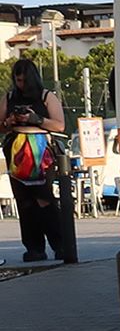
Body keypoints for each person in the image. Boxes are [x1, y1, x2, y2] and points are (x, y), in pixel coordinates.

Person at [1, 57, 67, 263]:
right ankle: (34, 248)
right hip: (17, 151)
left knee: (44, 198)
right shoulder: (9, 97)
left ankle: (60, 244)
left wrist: (36, 119)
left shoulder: (46, 96)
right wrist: (10, 121)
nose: (20, 85)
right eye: (17, 80)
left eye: (23, 80)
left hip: (41, 151)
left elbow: (60, 125)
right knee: (24, 201)